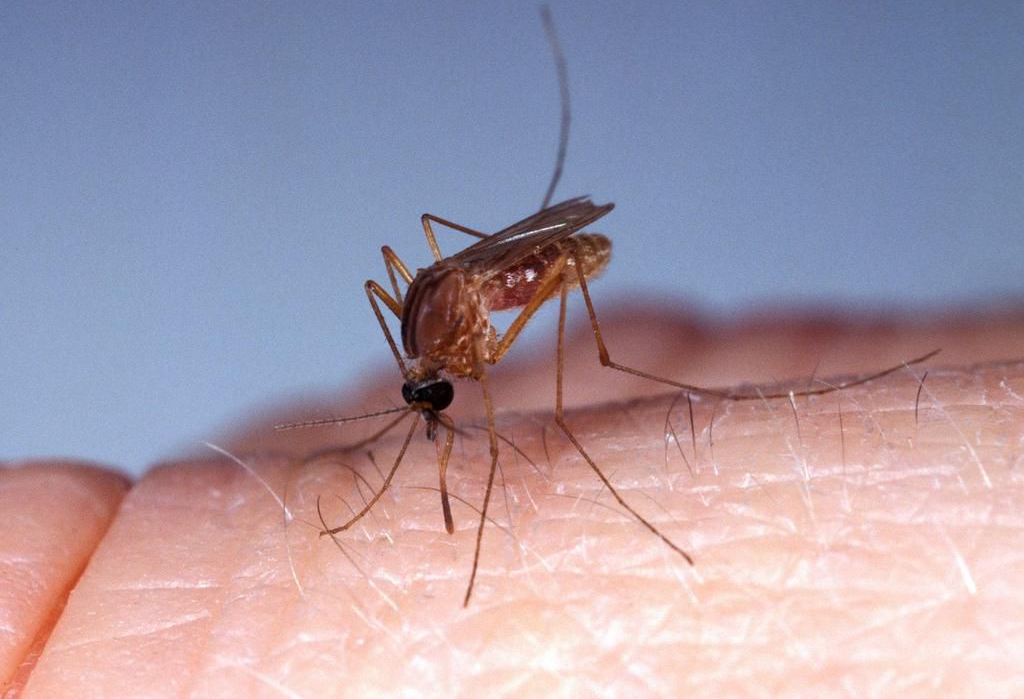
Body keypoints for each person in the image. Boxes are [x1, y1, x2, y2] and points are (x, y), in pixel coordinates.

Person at [4, 306, 1023, 696]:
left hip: (504, 288)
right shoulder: (430, 370)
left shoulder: (448, 354)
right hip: (460, 315)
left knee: (591, 363)